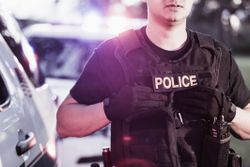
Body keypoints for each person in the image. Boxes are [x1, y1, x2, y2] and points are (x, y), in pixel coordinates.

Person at [56, 0, 250, 166]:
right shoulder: (113, 54)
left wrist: (229, 111)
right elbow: (64, 123)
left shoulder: (216, 56)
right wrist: (110, 108)